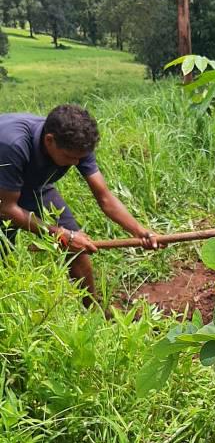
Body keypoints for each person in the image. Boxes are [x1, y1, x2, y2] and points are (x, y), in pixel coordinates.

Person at [0, 104, 158, 307]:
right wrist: (59, 234)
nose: (76, 163)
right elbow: (6, 209)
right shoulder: (12, 145)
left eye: (80, 158)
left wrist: (139, 231)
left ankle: (94, 311)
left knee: (75, 245)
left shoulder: (78, 145)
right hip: (4, 196)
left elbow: (105, 197)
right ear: (49, 140)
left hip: (33, 186)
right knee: (4, 258)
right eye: (70, 157)